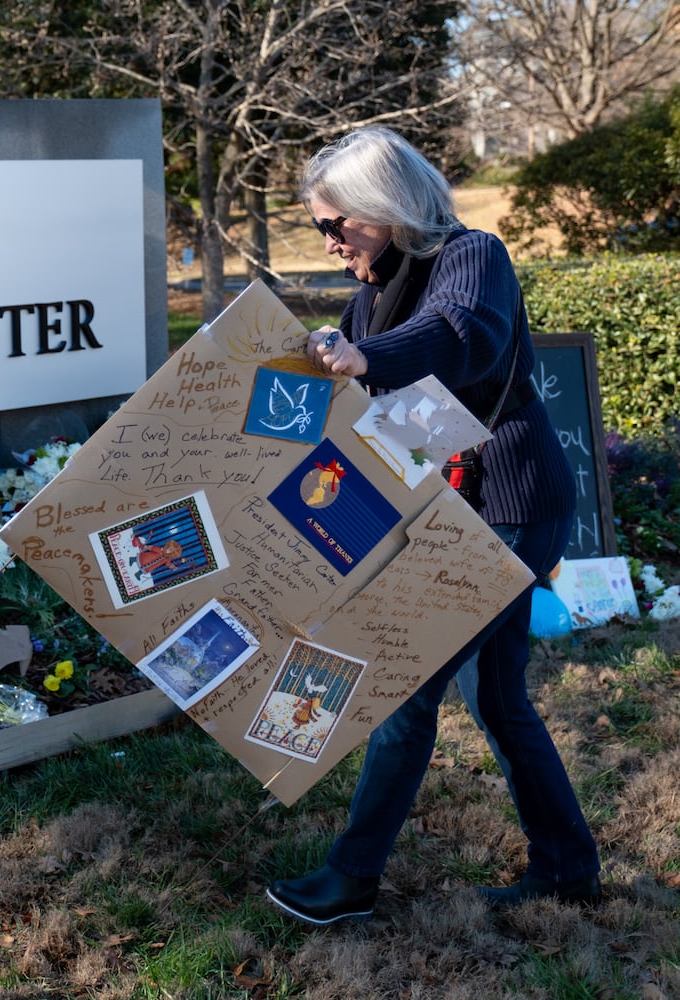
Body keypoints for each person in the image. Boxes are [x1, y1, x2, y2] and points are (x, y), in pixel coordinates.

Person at [266, 126, 602, 925]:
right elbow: (380, 411)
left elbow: (460, 338)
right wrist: (328, 362)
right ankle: (567, 866)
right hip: (455, 507)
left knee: (406, 689)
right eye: (321, 226)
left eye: (336, 223)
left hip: (509, 504)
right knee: (497, 698)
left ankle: (352, 878)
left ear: (386, 208)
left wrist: (364, 358)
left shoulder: (471, 255)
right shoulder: (372, 287)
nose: (328, 240)